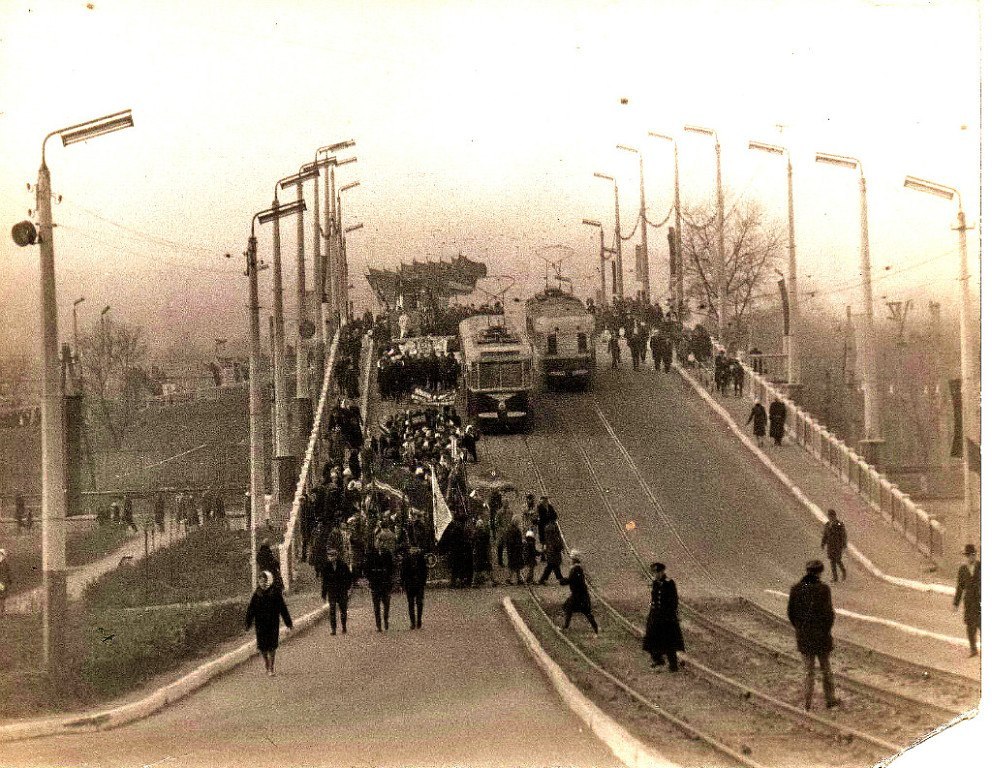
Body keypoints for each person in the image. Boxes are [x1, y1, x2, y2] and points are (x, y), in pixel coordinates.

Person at [787, 560, 839, 710]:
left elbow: (791, 613)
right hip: (821, 637)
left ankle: (807, 703)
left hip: (804, 637)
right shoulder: (824, 589)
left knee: (808, 671)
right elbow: (829, 615)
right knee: (826, 669)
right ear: (820, 573)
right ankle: (830, 700)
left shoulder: (796, 589)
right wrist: (826, 630)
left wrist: (800, 629)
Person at [245, 570, 293, 677]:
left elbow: (283, 609)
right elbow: (251, 610)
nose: (262, 583)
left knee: (272, 645)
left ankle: (271, 667)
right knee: (262, 646)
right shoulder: (256, 594)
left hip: (272, 623)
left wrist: (288, 623)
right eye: (260, 581)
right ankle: (266, 661)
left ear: (269, 581)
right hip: (260, 623)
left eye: (264, 581)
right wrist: (248, 623)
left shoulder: (275, 593)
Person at [642, 562, 685, 672]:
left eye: (658, 572)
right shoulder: (655, 583)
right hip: (656, 616)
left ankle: (673, 665)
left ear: (662, 572)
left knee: (669, 641)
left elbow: (674, 600)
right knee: (651, 638)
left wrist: (670, 614)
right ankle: (658, 659)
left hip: (667, 617)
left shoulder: (669, 583)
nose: (656, 575)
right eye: (655, 573)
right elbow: (654, 600)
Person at [953, 544, 981, 657]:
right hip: (969, 603)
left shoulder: (981, 567)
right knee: (970, 627)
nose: (970, 557)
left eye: (972, 555)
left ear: (975, 555)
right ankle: (973, 650)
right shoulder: (962, 570)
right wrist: (956, 603)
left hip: (981, 601)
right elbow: (960, 587)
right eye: (968, 555)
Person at [561, 550, 598, 634]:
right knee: (584, 611)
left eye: (571, 558)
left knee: (570, 608)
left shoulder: (575, 569)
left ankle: (565, 626)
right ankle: (596, 629)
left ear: (574, 559)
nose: (570, 560)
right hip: (581, 594)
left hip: (578, 595)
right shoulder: (578, 568)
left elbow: (572, 580)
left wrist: (563, 581)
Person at [321, 547, 353, 635]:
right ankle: (333, 629)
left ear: (336, 556)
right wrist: (323, 595)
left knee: (343, 610)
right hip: (332, 592)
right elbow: (324, 582)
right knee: (332, 610)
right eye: (329, 556)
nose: (331, 557)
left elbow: (349, 577)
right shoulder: (326, 567)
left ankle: (344, 626)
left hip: (342, 591)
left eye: (332, 556)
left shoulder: (343, 565)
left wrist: (347, 588)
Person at [366, 540, 394, 632]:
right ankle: (378, 625)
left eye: (381, 542)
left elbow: (391, 568)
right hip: (375, 584)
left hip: (385, 583)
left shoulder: (387, 554)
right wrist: (370, 579)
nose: (379, 544)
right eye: (377, 542)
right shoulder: (371, 554)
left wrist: (389, 579)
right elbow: (367, 568)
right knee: (376, 606)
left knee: (386, 605)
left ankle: (386, 620)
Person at [401, 545, 428, 629]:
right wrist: (403, 583)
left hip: (419, 584)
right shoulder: (406, 559)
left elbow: (425, 571)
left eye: (415, 549)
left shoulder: (421, 558)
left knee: (419, 603)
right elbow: (403, 572)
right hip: (410, 584)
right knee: (411, 604)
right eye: (412, 549)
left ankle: (419, 620)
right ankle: (412, 622)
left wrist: (423, 582)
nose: (414, 551)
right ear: (410, 550)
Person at [820, 510, 848, 582]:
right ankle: (835, 577)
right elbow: (825, 535)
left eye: (831, 516)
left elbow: (843, 535)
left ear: (834, 516)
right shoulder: (827, 524)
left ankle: (844, 572)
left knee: (838, 560)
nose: (830, 517)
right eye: (829, 516)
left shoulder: (839, 524)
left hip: (837, 546)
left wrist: (844, 545)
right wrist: (823, 544)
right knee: (832, 561)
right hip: (830, 546)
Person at [0, 548, 11, 617]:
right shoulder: (4, 564)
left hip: (2, 583)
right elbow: (7, 574)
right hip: (2, 583)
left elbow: (7, 574)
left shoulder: (4, 563)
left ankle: (1, 612)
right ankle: (1, 612)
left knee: (2, 597)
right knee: (2, 597)